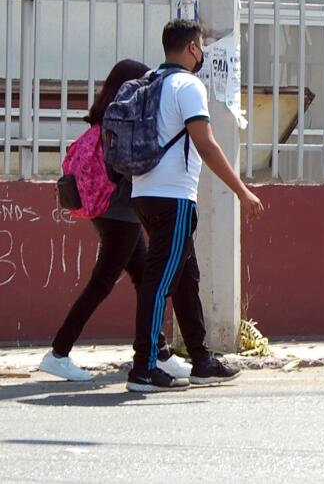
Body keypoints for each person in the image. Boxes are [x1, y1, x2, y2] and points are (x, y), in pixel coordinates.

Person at [127, 19, 266, 392]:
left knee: (186, 278)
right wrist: (242, 190)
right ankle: (143, 368)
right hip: (173, 198)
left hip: (144, 192)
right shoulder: (187, 85)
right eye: (201, 46)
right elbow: (206, 144)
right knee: (158, 284)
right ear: (192, 48)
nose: (202, 53)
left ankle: (201, 362)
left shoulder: (151, 81)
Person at [38, 60, 189, 382]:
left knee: (144, 279)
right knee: (104, 283)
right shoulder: (122, 120)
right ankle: (59, 353)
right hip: (120, 213)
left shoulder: (104, 120)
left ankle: (160, 353)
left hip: (114, 213)